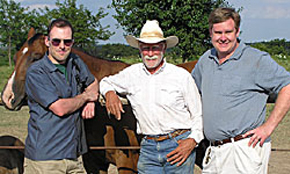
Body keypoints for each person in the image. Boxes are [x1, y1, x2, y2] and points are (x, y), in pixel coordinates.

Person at [191, 7, 290, 174]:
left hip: (243, 149)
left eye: (228, 32)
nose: (223, 38)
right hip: (213, 150)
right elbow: (192, 92)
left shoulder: (256, 59)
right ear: (210, 33)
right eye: (218, 32)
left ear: (237, 32)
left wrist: (268, 127)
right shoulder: (206, 60)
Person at [99, 20, 204, 173]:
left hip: (178, 142)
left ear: (164, 47)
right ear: (139, 49)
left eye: (155, 48)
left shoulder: (181, 76)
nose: (150, 53)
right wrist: (109, 93)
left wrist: (192, 141)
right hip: (148, 146)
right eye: (145, 48)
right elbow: (105, 81)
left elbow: (198, 114)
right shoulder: (132, 74)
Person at [24, 19, 99, 174]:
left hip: (74, 158)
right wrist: (85, 97)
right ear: (47, 41)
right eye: (56, 41)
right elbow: (60, 108)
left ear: (72, 42)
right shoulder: (36, 72)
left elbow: (93, 82)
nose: (62, 46)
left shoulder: (75, 62)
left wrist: (91, 100)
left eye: (67, 41)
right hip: (46, 161)